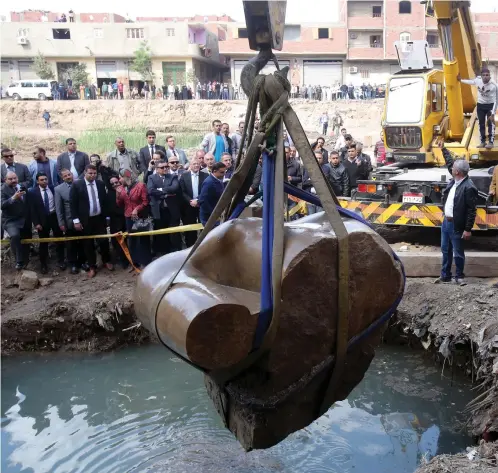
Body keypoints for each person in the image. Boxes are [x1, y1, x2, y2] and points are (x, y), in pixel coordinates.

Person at [436, 146, 478, 284]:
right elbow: (449, 163)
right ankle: (445, 275)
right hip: (446, 223)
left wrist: (467, 229)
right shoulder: (456, 179)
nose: (451, 169)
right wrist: (443, 149)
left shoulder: (469, 187)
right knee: (445, 250)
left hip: (457, 225)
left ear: (458, 172)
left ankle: (459, 276)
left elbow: (472, 210)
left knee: (458, 253)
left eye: (453, 168)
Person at [70, 164, 113, 278]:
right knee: (88, 244)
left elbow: (105, 202)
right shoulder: (77, 185)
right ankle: (92, 266)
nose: (92, 175)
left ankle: (106, 261)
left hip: (99, 218)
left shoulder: (100, 184)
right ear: (85, 173)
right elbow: (73, 204)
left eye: (94, 173)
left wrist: (107, 217)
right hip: (85, 220)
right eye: (90, 173)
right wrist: (76, 221)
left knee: (103, 241)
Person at [28, 172, 65, 274]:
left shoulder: (54, 189)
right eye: (41, 180)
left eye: (45, 179)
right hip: (42, 220)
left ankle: (61, 261)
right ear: (37, 181)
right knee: (43, 242)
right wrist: (36, 223)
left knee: (59, 240)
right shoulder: (32, 192)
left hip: (54, 217)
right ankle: (43, 264)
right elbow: (32, 210)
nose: (44, 181)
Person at [116, 169, 151, 269]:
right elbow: (119, 204)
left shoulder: (140, 186)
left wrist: (137, 209)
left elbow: (145, 202)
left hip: (141, 217)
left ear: (127, 177)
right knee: (132, 240)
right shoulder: (121, 188)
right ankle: (134, 262)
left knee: (143, 239)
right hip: (128, 216)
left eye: (120, 177)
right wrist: (118, 195)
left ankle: (145, 262)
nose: (119, 180)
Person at [146, 159, 182, 253]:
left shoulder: (172, 177)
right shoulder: (151, 178)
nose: (165, 169)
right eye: (162, 167)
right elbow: (150, 191)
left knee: (173, 231)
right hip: (158, 209)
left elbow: (174, 188)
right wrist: (165, 194)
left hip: (171, 209)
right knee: (160, 231)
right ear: (157, 169)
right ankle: (162, 251)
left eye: (167, 167)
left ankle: (175, 250)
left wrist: (160, 189)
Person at [55, 169, 85, 274]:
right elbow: (59, 209)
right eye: (65, 176)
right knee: (70, 243)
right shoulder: (58, 189)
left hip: (82, 219)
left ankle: (82, 262)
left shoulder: (80, 184)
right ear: (62, 178)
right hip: (68, 221)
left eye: (69, 174)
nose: (68, 177)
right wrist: (61, 223)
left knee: (82, 241)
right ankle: (73, 264)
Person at [458, 68, 497, 148]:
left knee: (490, 124)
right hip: (480, 106)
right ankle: (482, 142)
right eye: (484, 75)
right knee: (481, 124)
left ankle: (491, 142)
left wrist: (493, 113)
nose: (485, 77)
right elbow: (471, 82)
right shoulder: (478, 80)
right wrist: (460, 80)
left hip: (490, 105)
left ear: (490, 76)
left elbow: (497, 100)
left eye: (487, 75)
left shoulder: (494, 85)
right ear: (481, 76)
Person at [1, 171, 31, 270]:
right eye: (10, 179)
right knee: (15, 236)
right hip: (10, 220)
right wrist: (13, 198)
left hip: (24, 218)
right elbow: (2, 205)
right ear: (5, 180)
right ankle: (19, 261)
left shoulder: (21, 186)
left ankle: (26, 261)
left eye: (15, 178)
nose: (13, 180)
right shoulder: (2, 190)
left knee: (27, 238)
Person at [179, 157, 207, 247]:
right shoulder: (184, 176)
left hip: (201, 205)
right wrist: (190, 201)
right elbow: (182, 191)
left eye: (198, 164)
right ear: (190, 165)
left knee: (203, 226)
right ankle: (190, 246)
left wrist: (198, 200)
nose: (196, 165)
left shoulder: (205, 176)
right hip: (188, 206)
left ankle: (204, 245)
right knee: (190, 228)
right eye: (194, 164)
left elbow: (206, 191)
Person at [107, 176, 128, 268]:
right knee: (118, 243)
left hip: (126, 220)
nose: (115, 184)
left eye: (117, 182)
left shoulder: (125, 191)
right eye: (113, 184)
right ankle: (123, 261)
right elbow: (111, 209)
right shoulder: (109, 195)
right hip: (115, 222)